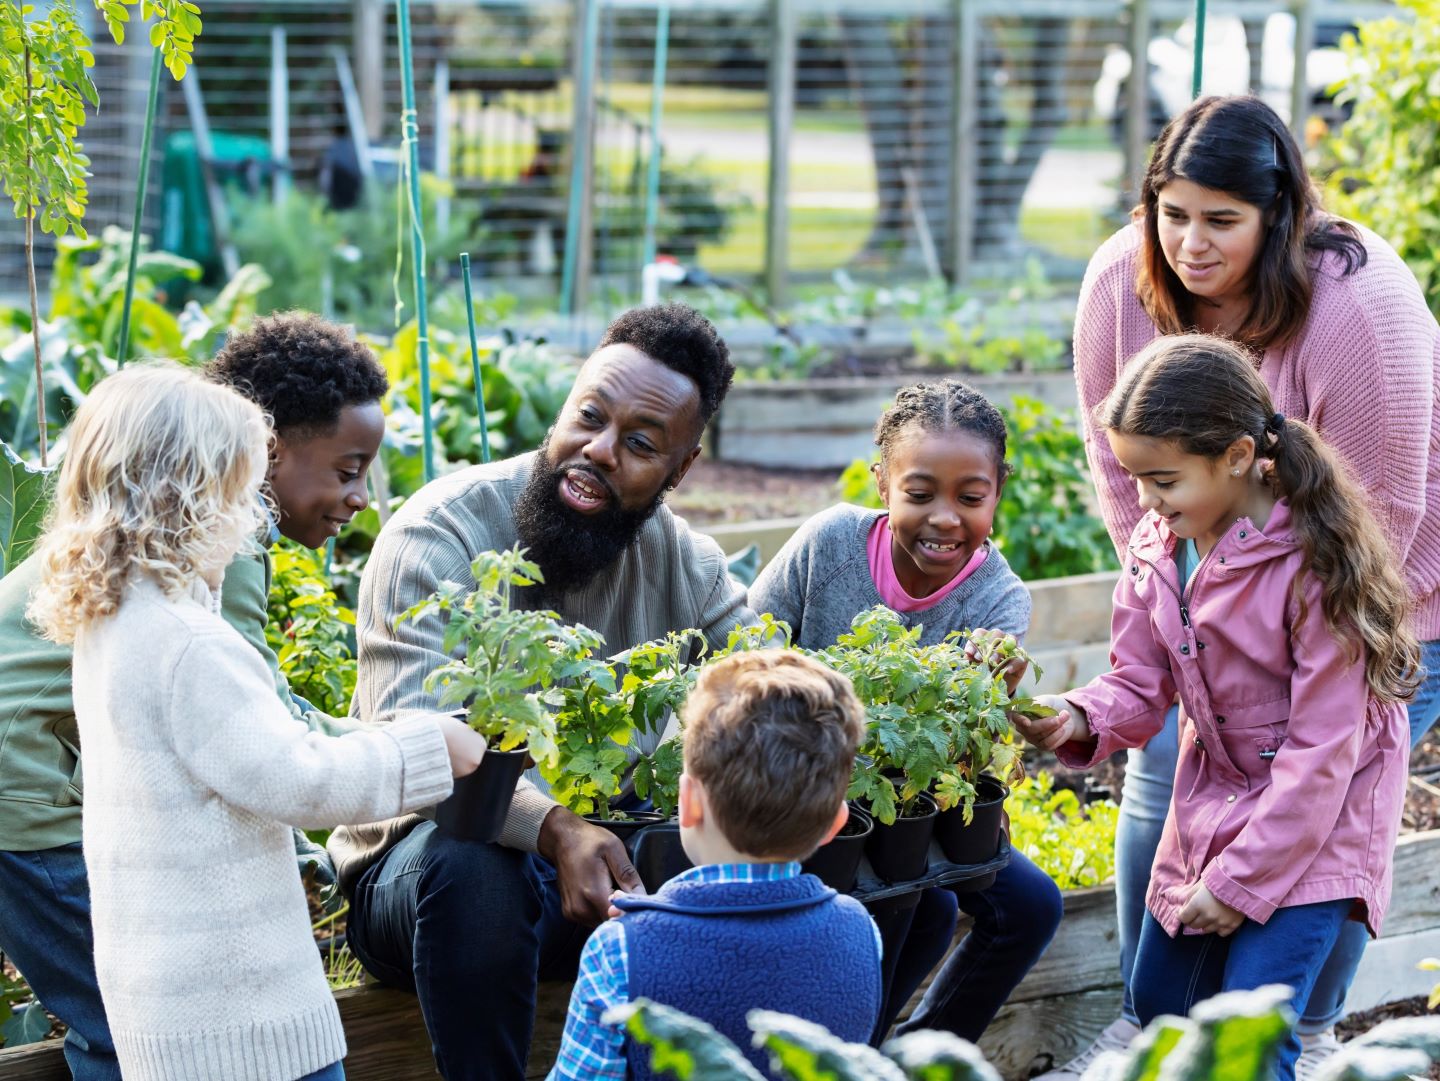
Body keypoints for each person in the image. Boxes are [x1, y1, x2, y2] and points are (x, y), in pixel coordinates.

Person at [1060, 94, 1439, 1079]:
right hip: (1213, 581)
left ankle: (1297, 1036)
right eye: (1171, 212)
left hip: (1378, 594)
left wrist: (1262, 622)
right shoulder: (1121, 281)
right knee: (1170, 797)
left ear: (1282, 216)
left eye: (1221, 220)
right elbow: (1124, 477)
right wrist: (1177, 603)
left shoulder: (1361, 309)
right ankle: (1153, 1026)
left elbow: (1378, 522)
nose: (1188, 242)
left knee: (1331, 811)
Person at [25, 363, 489, 1081]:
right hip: (244, 1024)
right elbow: (298, 779)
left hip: (170, 1013)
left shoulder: (112, 621)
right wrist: (427, 748)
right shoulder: (190, 646)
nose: (251, 520)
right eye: (241, 497)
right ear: (192, 500)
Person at [327, 302, 755, 1080]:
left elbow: (767, 681)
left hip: (601, 880)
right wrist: (555, 827)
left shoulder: (685, 565)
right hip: (416, 883)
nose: (596, 451)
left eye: (639, 444)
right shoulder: (441, 533)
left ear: (681, 468)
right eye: (588, 417)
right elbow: (419, 738)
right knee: (475, 860)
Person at [1016, 334, 1415, 1081]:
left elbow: (1323, 754)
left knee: (1251, 1033)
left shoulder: (1313, 564)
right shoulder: (1159, 548)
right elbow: (1138, 681)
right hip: (1216, 802)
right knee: (1165, 1009)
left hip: (1319, 822)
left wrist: (1240, 884)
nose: (1146, 501)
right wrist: (1075, 715)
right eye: (1136, 478)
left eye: (1162, 479)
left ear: (1236, 455)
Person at [749, 378, 1063, 1043]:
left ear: (998, 491)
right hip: (799, 794)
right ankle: (847, 1049)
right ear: (882, 483)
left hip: (914, 804)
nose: (946, 518)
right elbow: (742, 654)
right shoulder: (829, 545)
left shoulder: (999, 599)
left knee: (1030, 906)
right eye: (919, 494)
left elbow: (971, 740)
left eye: (971, 497)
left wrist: (991, 699)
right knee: (917, 901)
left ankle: (916, 1053)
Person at [548, 649, 882, 1080]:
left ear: (687, 803)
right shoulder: (862, 931)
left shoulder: (617, 952)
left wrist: (638, 934)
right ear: (835, 823)